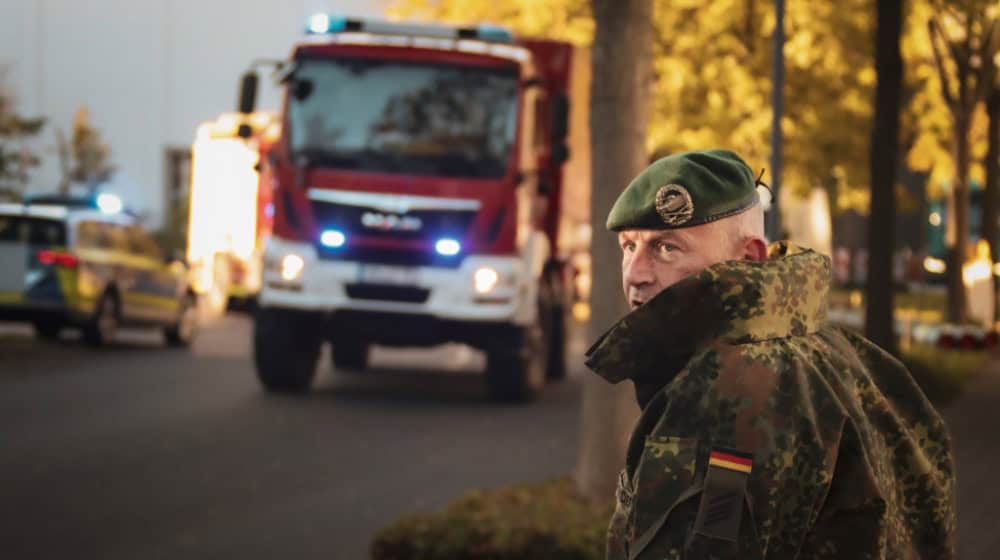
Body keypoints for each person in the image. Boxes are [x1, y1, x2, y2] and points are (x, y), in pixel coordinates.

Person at [586, 149, 956, 559]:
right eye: (628, 246)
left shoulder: (725, 392)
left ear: (748, 258)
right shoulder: (837, 351)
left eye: (667, 248)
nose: (635, 273)